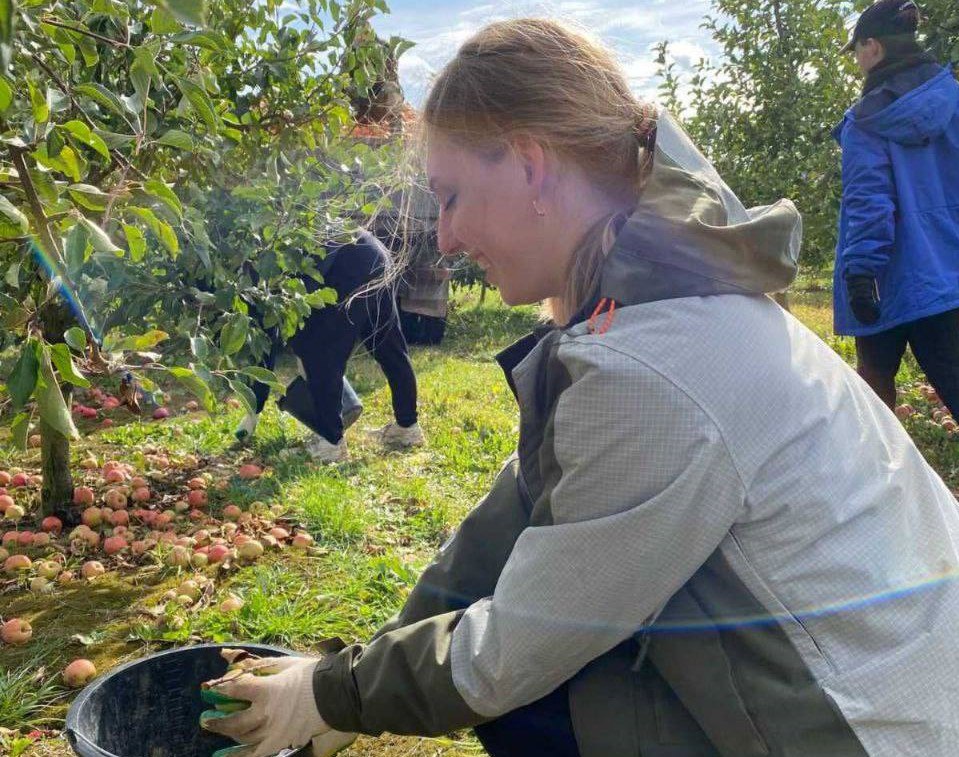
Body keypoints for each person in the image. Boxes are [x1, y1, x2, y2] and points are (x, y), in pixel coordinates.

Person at [203, 19, 959, 757]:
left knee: (531, 701)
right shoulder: (661, 299)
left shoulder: (653, 365)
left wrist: (335, 695)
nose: (447, 239)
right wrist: (356, 674)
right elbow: (523, 504)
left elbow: (518, 644)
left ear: (531, 166)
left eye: (454, 196)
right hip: (889, 678)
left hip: (873, 727)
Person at [833, 0, 959, 413]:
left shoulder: (867, 120)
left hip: (887, 282)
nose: (856, 62)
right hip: (948, 274)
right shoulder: (953, 101)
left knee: (876, 405)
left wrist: (861, 273)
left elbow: (868, 200)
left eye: (856, 51)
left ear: (872, 46)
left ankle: (885, 477)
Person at [235, 230, 425, 462]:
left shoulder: (255, 272)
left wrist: (253, 407)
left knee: (319, 351)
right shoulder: (268, 238)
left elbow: (266, 340)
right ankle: (408, 427)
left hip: (346, 262)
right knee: (388, 345)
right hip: (373, 251)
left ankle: (330, 443)